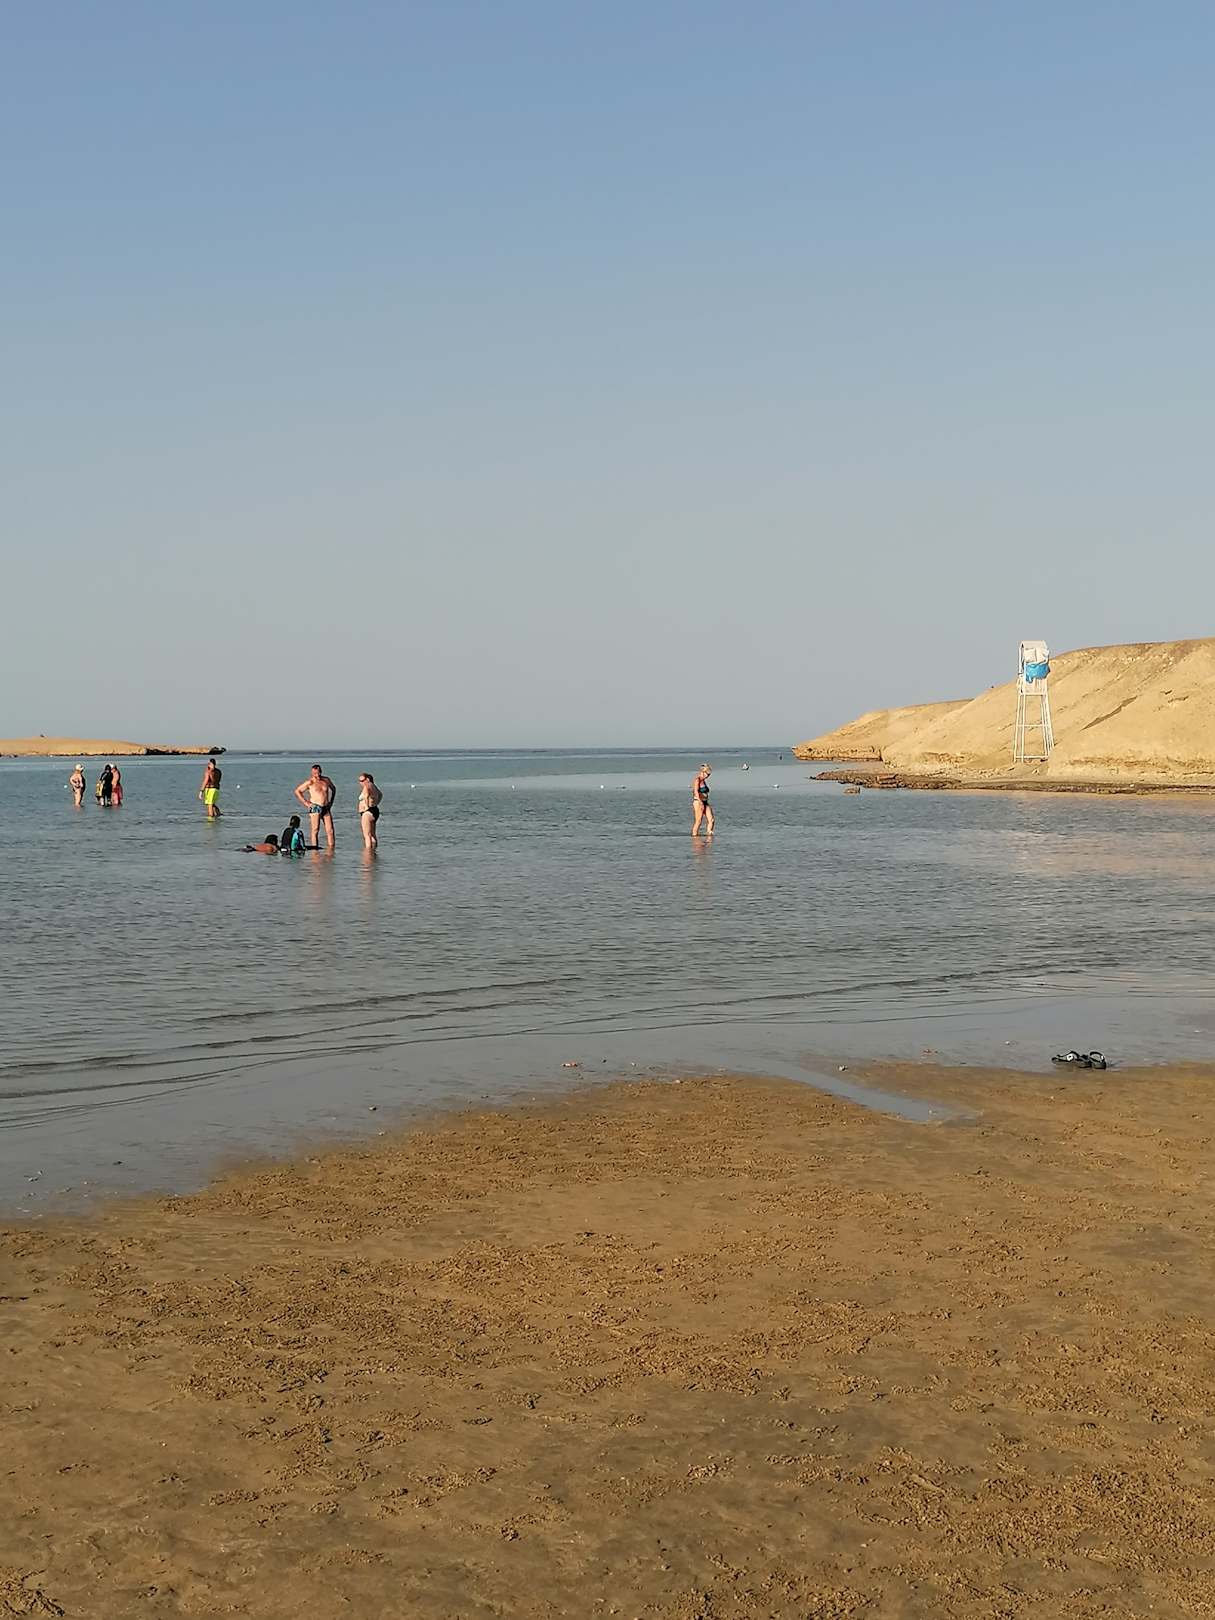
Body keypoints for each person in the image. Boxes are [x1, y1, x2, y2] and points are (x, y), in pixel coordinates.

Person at [294, 763, 337, 849]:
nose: (317, 775)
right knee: (315, 830)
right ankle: (315, 850)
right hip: (315, 807)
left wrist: (331, 801)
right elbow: (298, 791)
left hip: (326, 807)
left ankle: (331, 849)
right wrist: (306, 803)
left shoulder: (326, 780)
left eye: (318, 773)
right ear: (312, 773)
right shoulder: (310, 782)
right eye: (315, 773)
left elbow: (333, 789)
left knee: (330, 830)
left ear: (321, 771)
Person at [357, 772, 383, 851]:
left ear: (367, 779)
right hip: (374, 810)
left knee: (367, 835)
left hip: (367, 813)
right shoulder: (374, 786)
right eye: (359, 781)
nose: (360, 783)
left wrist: (366, 806)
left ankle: (368, 854)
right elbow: (380, 795)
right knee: (372, 835)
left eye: (362, 780)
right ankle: (374, 852)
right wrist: (376, 803)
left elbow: (366, 795)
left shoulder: (367, 786)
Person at [691, 763, 714, 836]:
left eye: (709, 775)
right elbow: (695, 791)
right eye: (707, 774)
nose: (708, 776)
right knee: (698, 821)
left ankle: (709, 835)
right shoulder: (697, 780)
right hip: (698, 802)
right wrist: (700, 801)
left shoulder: (703, 781)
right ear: (703, 772)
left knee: (711, 820)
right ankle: (694, 836)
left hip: (705, 802)